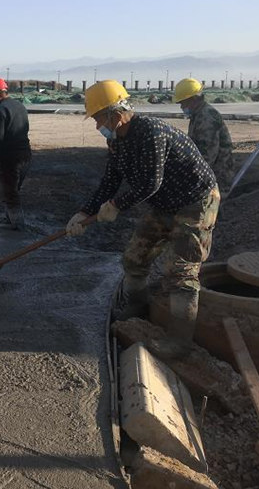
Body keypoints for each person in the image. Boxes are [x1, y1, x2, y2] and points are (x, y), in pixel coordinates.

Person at [65, 80, 220, 359]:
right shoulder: (117, 141)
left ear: (116, 112)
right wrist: (85, 212)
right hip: (164, 203)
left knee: (181, 271)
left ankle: (180, 343)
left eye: (99, 118)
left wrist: (115, 206)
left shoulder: (150, 132)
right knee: (135, 258)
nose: (97, 125)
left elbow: (151, 183)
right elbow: (110, 180)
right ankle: (136, 311)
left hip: (195, 201)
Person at [0, 77, 31, 230]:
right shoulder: (20, 106)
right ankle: (10, 219)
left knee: (10, 193)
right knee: (13, 188)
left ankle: (18, 225)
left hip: (9, 158)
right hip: (25, 155)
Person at [174, 78, 235, 193]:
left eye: (183, 103)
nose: (182, 107)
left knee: (212, 208)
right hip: (210, 174)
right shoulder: (198, 115)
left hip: (217, 175)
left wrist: (192, 176)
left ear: (192, 99)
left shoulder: (207, 118)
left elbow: (207, 155)